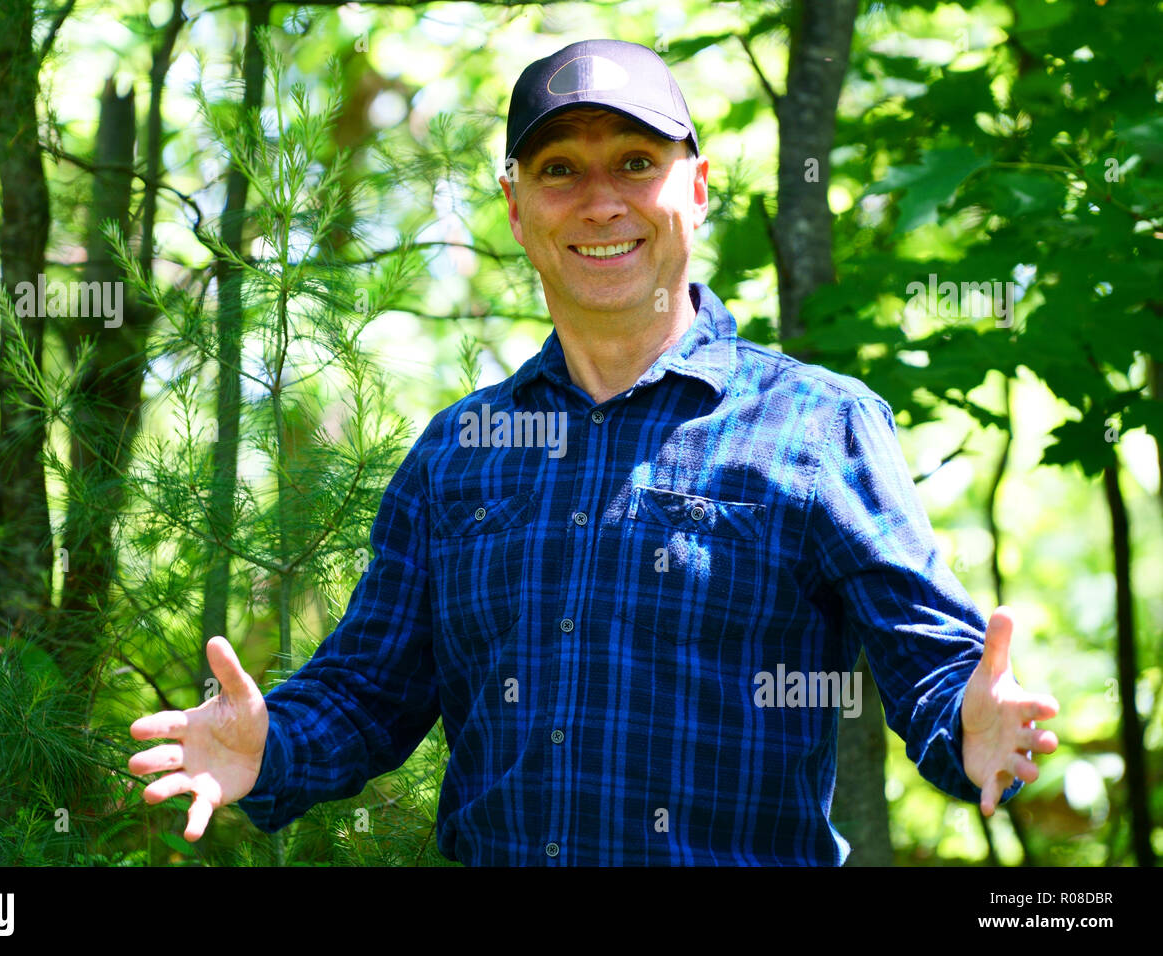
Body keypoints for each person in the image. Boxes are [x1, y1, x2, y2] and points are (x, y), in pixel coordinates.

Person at [129, 38, 1059, 865]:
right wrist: (269, 747)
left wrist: (971, 727)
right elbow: (370, 690)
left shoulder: (815, 425)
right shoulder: (459, 454)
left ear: (696, 186)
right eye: (561, 168)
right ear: (517, 205)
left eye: (637, 162)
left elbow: (934, 668)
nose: (602, 200)